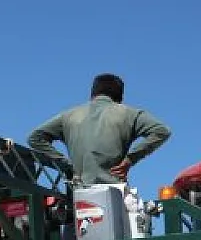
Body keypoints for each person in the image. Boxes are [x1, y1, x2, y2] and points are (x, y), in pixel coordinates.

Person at [27, 74, 172, 186]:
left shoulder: (69, 116)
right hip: (113, 191)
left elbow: (35, 138)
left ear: (92, 94)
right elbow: (162, 131)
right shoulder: (129, 113)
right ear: (120, 97)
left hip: (80, 191)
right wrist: (130, 159)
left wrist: (68, 164)